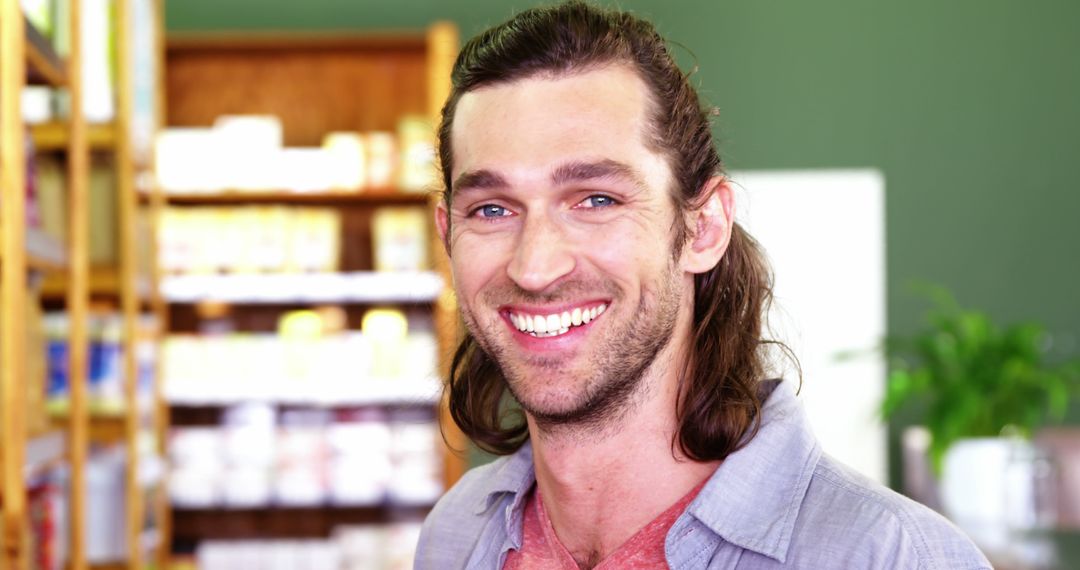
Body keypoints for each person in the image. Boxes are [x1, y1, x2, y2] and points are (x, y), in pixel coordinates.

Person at [416, 2, 990, 568]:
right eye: (491, 209)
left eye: (597, 199)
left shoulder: (894, 557)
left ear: (704, 227)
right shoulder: (458, 533)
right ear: (447, 235)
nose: (534, 267)